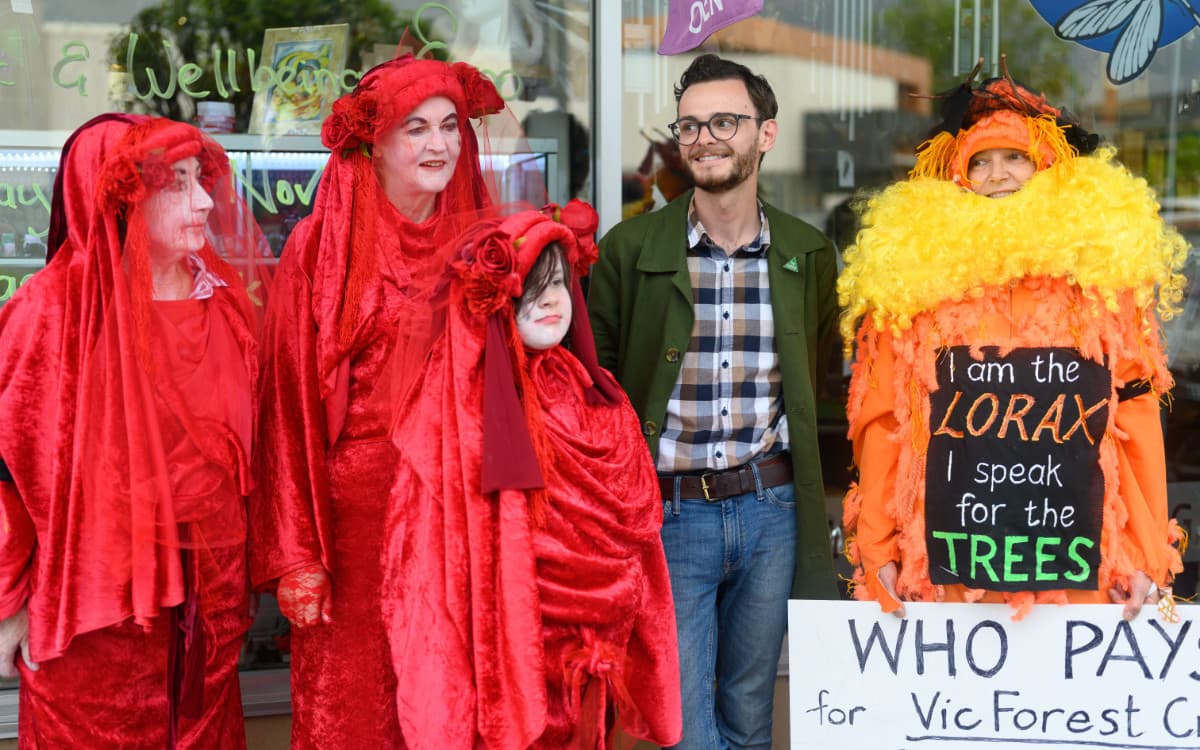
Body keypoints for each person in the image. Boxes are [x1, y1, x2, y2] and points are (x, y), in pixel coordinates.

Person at [839, 61, 1188, 622]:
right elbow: (885, 422)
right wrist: (877, 545)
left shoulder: (1101, 289)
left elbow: (1137, 418)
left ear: (1046, 168)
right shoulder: (917, 290)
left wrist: (1147, 551)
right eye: (981, 162)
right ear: (959, 179)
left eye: (1015, 158)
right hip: (951, 570)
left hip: (1078, 571)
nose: (998, 175)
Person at [248, 54, 510, 748]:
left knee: (455, 705)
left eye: (451, 127)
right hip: (358, 526)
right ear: (376, 145)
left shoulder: (488, 246)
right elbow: (287, 401)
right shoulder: (318, 246)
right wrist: (300, 550)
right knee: (355, 708)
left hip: (462, 515)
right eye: (415, 128)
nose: (439, 145)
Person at [588, 53, 839, 749]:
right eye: (690, 125)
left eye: (724, 121)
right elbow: (594, 393)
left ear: (766, 133)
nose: (704, 139)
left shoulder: (807, 251)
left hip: (771, 512)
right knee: (686, 728)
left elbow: (817, 377)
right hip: (670, 517)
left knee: (750, 715)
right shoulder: (629, 250)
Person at [0, 115, 263, 747]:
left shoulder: (225, 303)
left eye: (200, 179)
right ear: (117, 196)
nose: (203, 200)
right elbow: (7, 468)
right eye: (175, 185)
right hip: (100, 621)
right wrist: (7, 602)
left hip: (212, 619)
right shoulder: (50, 313)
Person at [382, 203, 682, 749]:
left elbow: (634, 517)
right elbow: (428, 562)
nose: (550, 300)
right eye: (532, 286)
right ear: (497, 298)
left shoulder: (591, 389)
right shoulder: (457, 411)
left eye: (560, 284)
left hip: (590, 662)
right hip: (512, 649)